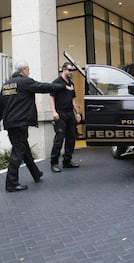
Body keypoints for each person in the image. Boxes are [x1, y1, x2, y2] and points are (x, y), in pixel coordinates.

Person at [0, 61, 72, 192]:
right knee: (18, 152)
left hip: (10, 123)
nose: (29, 72)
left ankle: (36, 173)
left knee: (23, 149)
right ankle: (11, 183)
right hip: (20, 122)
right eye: (28, 69)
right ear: (23, 70)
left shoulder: (6, 85)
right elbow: (42, 87)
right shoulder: (24, 82)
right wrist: (61, 87)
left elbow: (1, 105)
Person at [49, 62, 82, 172]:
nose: (71, 72)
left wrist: (77, 113)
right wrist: (54, 112)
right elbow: (51, 98)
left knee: (71, 139)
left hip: (69, 113)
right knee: (59, 139)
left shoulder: (71, 84)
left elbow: (73, 100)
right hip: (60, 113)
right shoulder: (56, 83)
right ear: (63, 69)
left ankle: (67, 161)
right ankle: (54, 163)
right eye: (69, 70)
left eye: (72, 70)